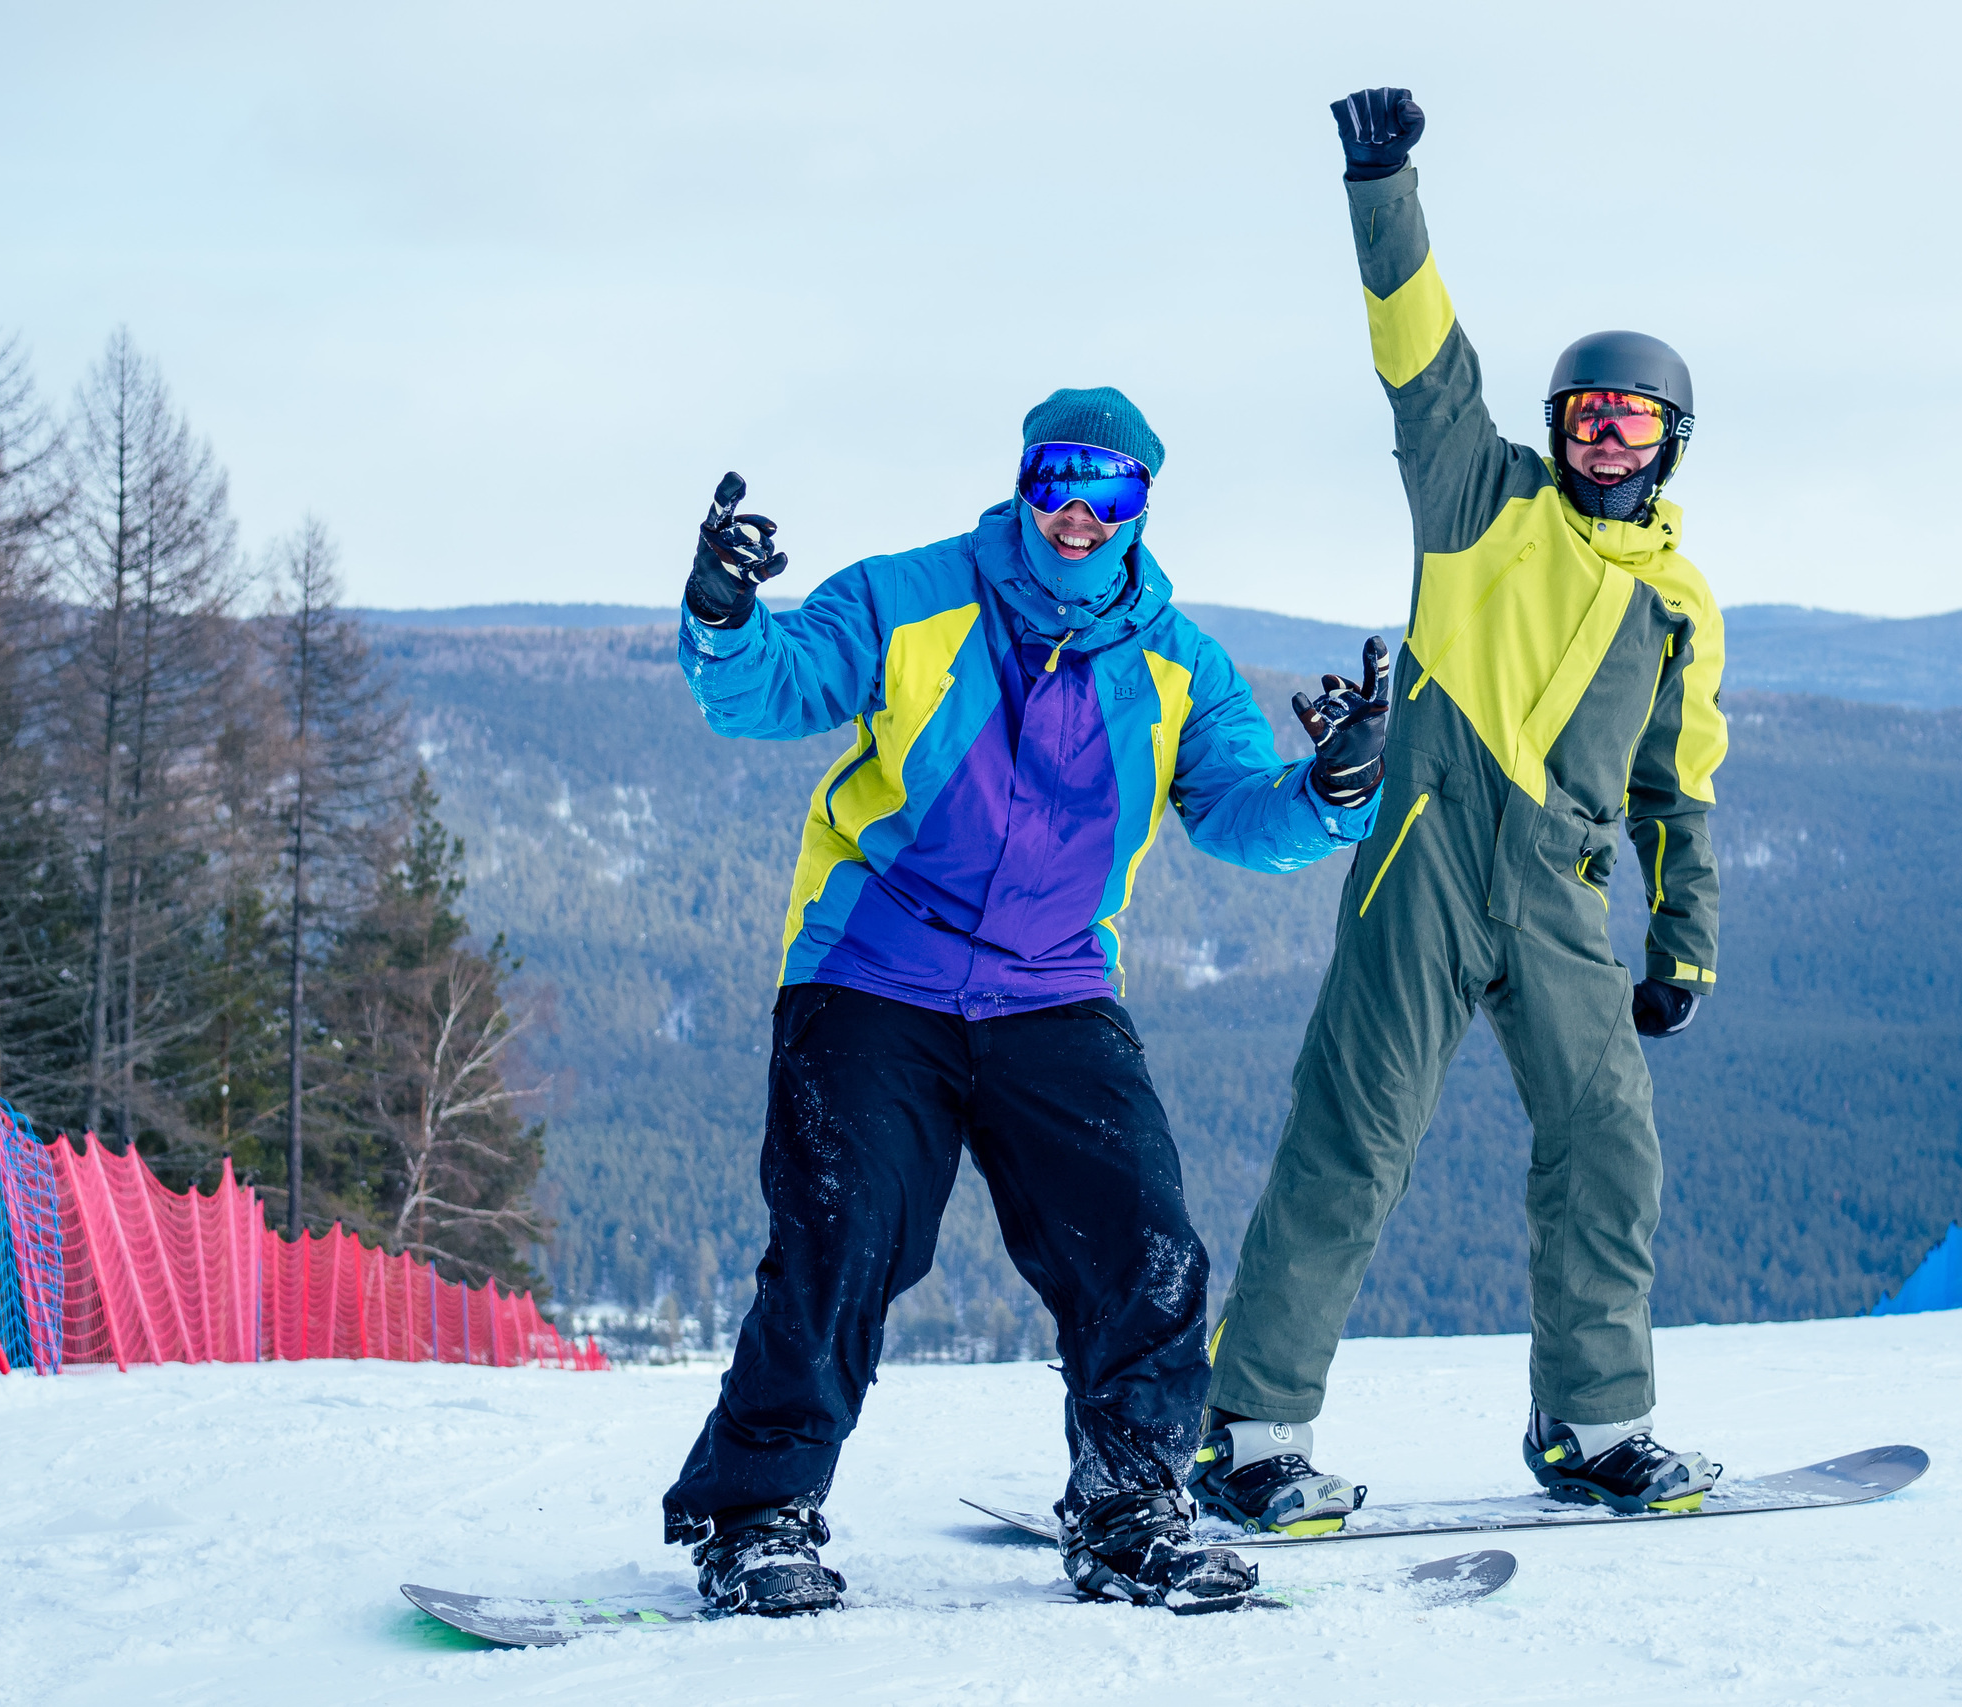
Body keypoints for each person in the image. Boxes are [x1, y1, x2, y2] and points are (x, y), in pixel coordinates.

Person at [660, 387, 1389, 1614]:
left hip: (1052, 987)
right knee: (846, 1233)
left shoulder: (1180, 664)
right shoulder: (910, 595)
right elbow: (766, 690)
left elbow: (1238, 816)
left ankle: (1128, 1506)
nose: (1075, 512)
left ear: (1142, 507)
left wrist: (1332, 789)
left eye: (1106, 491)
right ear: (1022, 481)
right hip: (873, 970)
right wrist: (725, 617)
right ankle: (758, 1515)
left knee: (1146, 1240)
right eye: (1057, 479)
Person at [1191, 88, 1728, 1536]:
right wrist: (1386, 185)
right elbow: (1422, 354)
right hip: (1422, 862)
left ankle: (1595, 1425)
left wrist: (1680, 945)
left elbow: (1681, 790)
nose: (1603, 439)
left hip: (1559, 889)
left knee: (1609, 1145)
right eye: (1583, 416)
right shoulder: (1476, 496)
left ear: (1673, 439)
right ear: (1552, 427)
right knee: (1352, 1138)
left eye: (1631, 420)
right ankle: (1249, 1436)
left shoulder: (1679, 606)